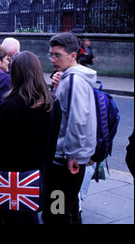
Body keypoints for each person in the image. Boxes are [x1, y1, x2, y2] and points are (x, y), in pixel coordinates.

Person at [0, 51, 62, 224]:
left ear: (15, 73)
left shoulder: (10, 105)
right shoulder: (53, 103)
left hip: (12, 177)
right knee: (31, 214)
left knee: (14, 219)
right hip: (38, 174)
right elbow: (53, 139)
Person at [42, 33, 97, 225]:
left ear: (73, 55)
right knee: (68, 207)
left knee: (55, 213)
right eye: (51, 55)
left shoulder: (74, 80)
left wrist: (72, 155)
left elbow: (78, 120)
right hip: (68, 156)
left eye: (58, 55)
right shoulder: (69, 77)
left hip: (66, 160)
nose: (53, 60)